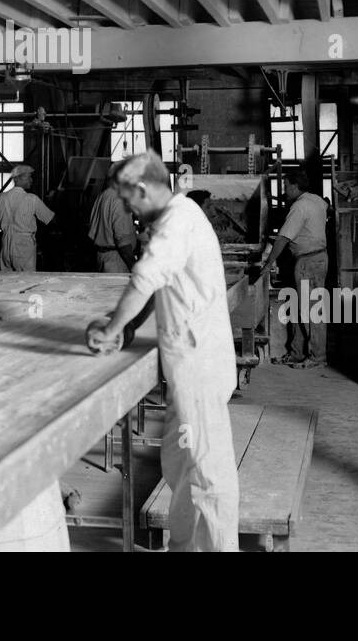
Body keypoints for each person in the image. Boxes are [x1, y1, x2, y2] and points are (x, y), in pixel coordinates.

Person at [87, 151, 239, 552]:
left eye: (126, 198)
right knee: (179, 465)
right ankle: (185, 547)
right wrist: (132, 326)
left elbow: (144, 278)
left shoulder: (178, 219)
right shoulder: (176, 218)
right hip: (185, 368)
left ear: (141, 189)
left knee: (208, 474)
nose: (125, 207)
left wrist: (111, 330)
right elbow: (163, 284)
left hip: (198, 367)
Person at [260, 168, 330, 367]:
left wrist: (267, 264)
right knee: (301, 308)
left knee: (312, 310)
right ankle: (297, 353)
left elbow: (283, 238)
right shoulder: (317, 201)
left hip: (308, 261)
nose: (284, 189)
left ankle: (317, 357)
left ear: (295, 185)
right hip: (316, 257)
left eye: (286, 185)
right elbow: (325, 212)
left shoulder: (299, 207)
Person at [0, 163, 54, 271]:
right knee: (26, 282)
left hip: (5, 247)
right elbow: (51, 219)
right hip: (24, 247)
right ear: (17, 179)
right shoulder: (31, 199)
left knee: (6, 283)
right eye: (28, 177)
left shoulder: (1, 198)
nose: (31, 180)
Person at [87, 174, 137, 272]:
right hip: (116, 261)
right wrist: (133, 267)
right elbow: (123, 242)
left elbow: (92, 233)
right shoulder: (120, 201)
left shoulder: (103, 195)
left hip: (101, 257)